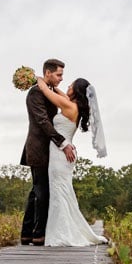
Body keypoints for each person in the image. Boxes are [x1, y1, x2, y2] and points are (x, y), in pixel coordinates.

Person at [34, 76, 108, 246]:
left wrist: (38, 79)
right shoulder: (73, 105)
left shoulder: (68, 105)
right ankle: (63, 230)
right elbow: (59, 94)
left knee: (59, 193)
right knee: (62, 192)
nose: (66, 85)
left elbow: (46, 91)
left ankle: (62, 234)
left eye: (70, 85)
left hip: (61, 154)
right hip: (63, 152)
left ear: (76, 91)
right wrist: (54, 85)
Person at [20, 59, 75, 246]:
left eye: (62, 75)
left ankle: (28, 234)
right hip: (38, 149)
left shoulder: (48, 91)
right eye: (58, 74)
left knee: (36, 192)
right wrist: (63, 143)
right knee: (41, 192)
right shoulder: (35, 93)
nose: (61, 78)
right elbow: (43, 122)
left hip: (49, 150)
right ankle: (38, 235)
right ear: (48, 73)